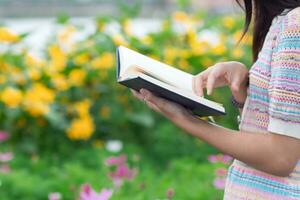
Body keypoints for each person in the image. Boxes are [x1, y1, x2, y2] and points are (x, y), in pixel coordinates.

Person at [131, 0, 300, 199]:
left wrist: (186, 119)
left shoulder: (295, 25)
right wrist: (244, 89)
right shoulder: (283, 22)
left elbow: (280, 157)